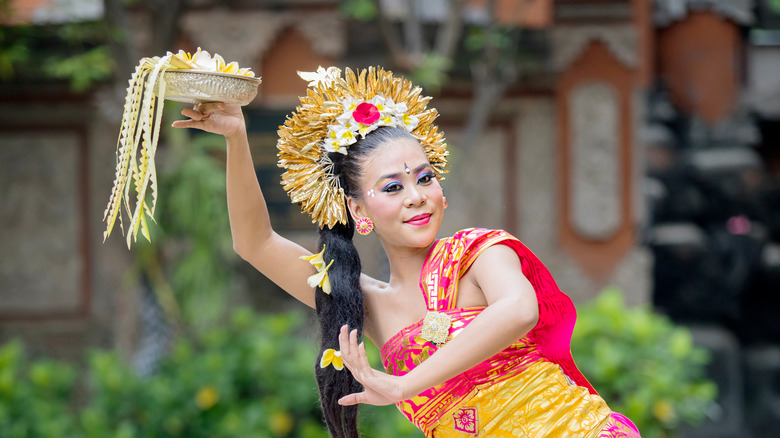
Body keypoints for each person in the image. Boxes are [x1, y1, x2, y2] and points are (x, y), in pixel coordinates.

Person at [172, 66, 641, 438]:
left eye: (425, 178)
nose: (416, 196)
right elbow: (254, 243)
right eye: (393, 187)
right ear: (358, 208)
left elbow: (519, 310)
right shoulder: (366, 304)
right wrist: (236, 138)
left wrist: (402, 386)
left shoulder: (479, 253)